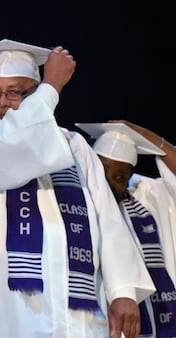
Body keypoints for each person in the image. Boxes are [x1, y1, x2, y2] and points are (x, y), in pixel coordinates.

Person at [0, 39, 155, 338]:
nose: (3, 102)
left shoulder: (74, 145)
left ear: (34, 95)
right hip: (13, 309)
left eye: (15, 92)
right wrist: (52, 84)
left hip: (81, 309)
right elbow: (15, 143)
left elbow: (107, 218)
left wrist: (123, 289)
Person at [76, 120, 176, 337]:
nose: (108, 182)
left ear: (129, 179)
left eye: (119, 177)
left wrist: (144, 134)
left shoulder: (149, 199)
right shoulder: (72, 208)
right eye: (102, 171)